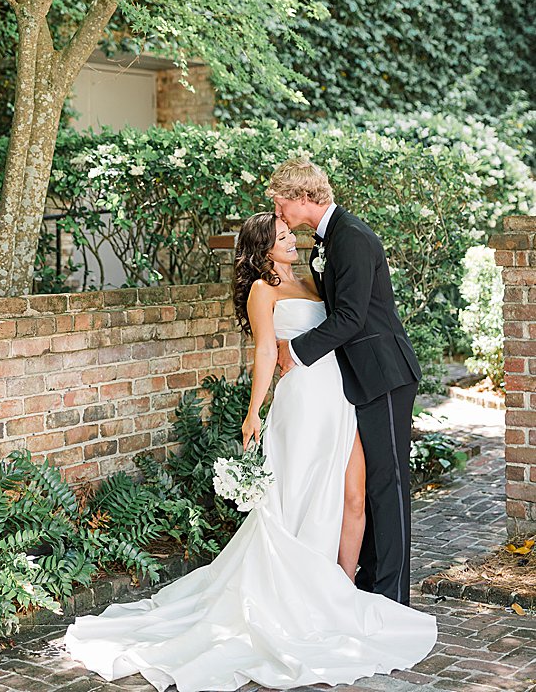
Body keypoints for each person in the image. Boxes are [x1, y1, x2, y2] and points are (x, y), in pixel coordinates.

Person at [62, 210, 436, 691]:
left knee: (353, 496)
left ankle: (340, 594)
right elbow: (264, 350)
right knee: (298, 498)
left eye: (291, 235)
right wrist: (254, 410)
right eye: (283, 238)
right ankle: (302, 597)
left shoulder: (311, 280)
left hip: (341, 396)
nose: (293, 242)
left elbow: (345, 325)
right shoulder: (264, 290)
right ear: (263, 249)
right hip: (302, 403)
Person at [271, 157, 421, 606]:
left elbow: (352, 317)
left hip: (384, 373)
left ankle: (392, 597)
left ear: (302, 197)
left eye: (281, 203)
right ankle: (372, 582)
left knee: (388, 484)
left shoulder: (351, 237)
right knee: (372, 481)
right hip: (358, 376)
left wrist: (295, 351)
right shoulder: (328, 239)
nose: (279, 212)